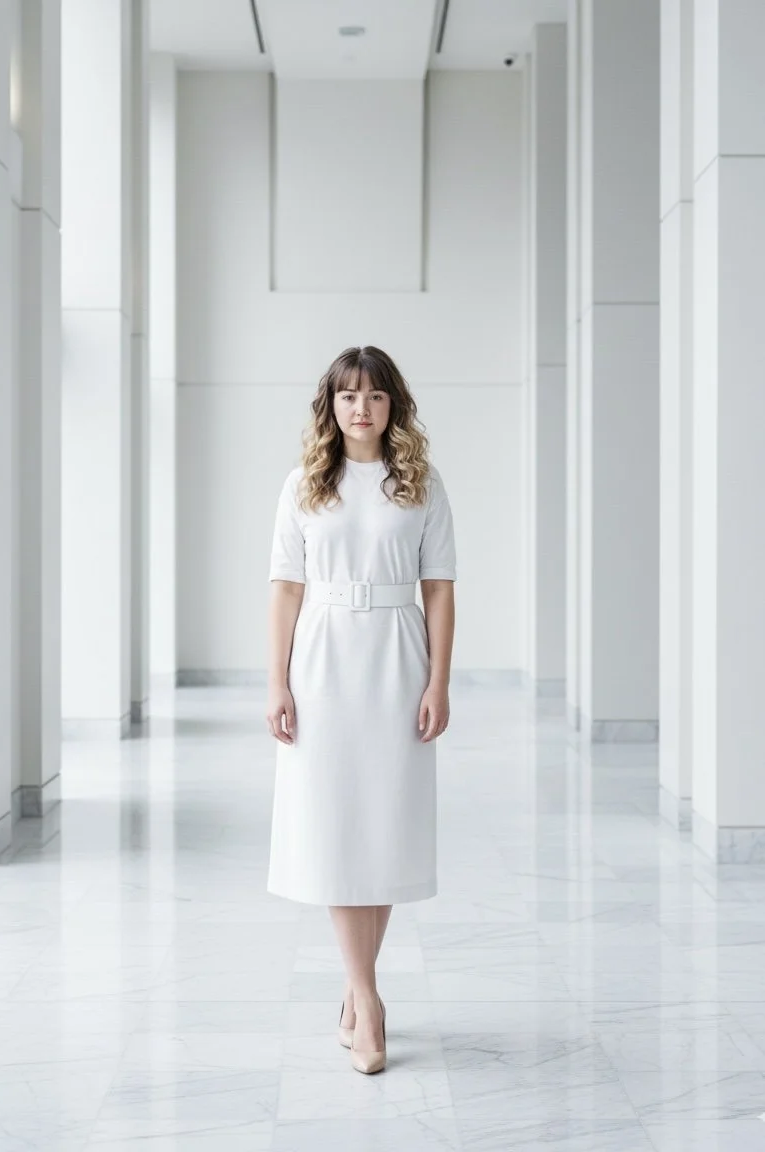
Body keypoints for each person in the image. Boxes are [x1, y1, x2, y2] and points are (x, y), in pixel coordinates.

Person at [264, 346, 456, 1075]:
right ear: (332, 405)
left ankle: (355, 990)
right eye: (348, 396)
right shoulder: (305, 484)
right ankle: (368, 1000)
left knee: (383, 826)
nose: (361, 408)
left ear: (392, 404)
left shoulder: (421, 484)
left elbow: (439, 588)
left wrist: (439, 682)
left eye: (375, 396)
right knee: (337, 826)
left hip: (398, 658)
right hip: (322, 662)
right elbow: (286, 587)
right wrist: (277, 683)